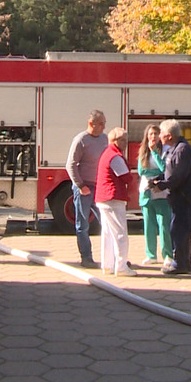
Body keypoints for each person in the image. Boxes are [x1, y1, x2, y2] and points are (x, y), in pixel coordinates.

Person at [153, 119, 191, 275]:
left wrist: (163, 185)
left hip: (184, 197)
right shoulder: (174, 149)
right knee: (181, 229)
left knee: (179, 230)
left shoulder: (181, 150)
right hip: (179, 196)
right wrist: (159, 179)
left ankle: (180, 263)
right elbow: (170, 171)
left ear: (169, 136)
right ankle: (185, 261)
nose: (159, 136)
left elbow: (178, 175)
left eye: (161, 133)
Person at [65, 110, 108, 268]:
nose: (104, 127)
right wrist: (80, 185)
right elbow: (70, 165)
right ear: (91, 124)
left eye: (104, 123)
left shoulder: (104, 139)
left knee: (106, 222)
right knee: (83, 225)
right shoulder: (81, 140)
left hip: (100, 187)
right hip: (84, 188)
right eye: (101, 123)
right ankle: (86, 257)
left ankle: (110, 256)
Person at [95, 127, 136, 277]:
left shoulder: (107, 153)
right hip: (113, 197)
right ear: (114, 141)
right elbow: (126, 177)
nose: (125, 143)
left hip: (103, 198)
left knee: (107, 233)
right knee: (120, 233)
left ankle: (107, 265)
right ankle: (121, 266)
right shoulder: (115, 156)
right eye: (123, 140)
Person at [137, 124, 172, 268]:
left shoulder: (165, 150)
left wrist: (155, 154)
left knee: (164, 225)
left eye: (156, 134)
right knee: (148, 225)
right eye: (150, 134)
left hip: (161, 192)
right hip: (146, 190)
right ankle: (151, 254)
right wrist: (154, 174)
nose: (153, 137)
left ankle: (168, 255)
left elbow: (164, 168)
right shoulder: (143, 151)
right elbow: (141, 171)